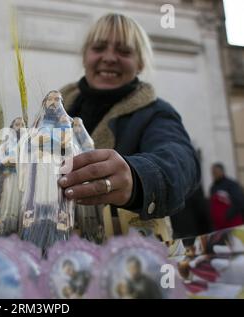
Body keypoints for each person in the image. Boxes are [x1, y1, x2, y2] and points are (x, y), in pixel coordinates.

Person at [58, 13, 200, 221]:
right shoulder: (58, 112)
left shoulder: (156, 113)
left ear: (140, 63)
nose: (109, 58)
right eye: (98, 48)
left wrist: (136, 177)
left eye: (124, 51)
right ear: (84, 56)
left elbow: (181, 160)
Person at [209, 163, 244, 230]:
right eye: (213, 172)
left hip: (233, 224)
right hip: (219, 227)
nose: (214, 174)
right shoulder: (213, 188)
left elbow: (239, 201)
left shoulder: (231, 184)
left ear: (222, 171)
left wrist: (228, 215)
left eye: (216, 172)